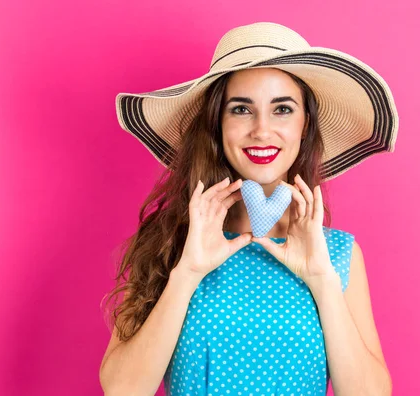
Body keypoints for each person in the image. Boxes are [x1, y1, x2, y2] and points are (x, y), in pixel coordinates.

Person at [100, 22, 398, 395]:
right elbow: (122, 390)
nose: (261, 129)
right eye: (241, 109)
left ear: (305, 125)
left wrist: (322, 278)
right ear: (217, 123)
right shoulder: (171, 242)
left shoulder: (337, 254)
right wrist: (187, 271)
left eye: (282, 109)